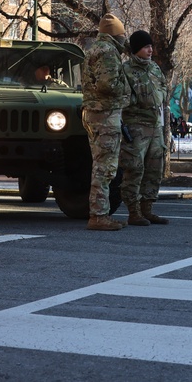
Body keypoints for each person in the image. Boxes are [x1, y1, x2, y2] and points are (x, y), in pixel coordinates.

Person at [82, 13, 132, 231]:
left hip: (93, 113)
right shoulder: (109, 52)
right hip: (105, 114)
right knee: (105, 168)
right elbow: (108, 85)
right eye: (122, 34)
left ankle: (98, 213)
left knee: (99, 165)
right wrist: (127, 91)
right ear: (115, 34)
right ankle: (99, 215)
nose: (124, 38)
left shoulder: (92, 49)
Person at [119, 30, 170, 226]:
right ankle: (134, 211)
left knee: (154, 169)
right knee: (134, 168)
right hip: (136, 125)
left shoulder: (154, 68)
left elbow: (164, 87)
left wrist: (159, 97)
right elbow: (123, 95)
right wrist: (138, 100)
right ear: (136, 49)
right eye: (146, 47)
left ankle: (148, 209)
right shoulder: (126, 70)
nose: (150, 50)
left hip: (155, 126)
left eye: (151, 46)